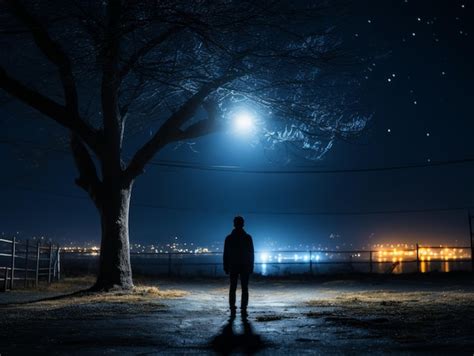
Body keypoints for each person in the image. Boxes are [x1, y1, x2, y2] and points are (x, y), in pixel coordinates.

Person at [223, 216, 254, 316]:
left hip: (233, 265)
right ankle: (243, 307)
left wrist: (226, 266)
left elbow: (226, 253)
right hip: (245, 266)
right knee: (245, 288)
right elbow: (251, 253)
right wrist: (251, 266)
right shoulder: (248, 238)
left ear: (234, 224)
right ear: (243, 224)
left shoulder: (229, 238)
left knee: (233, 287)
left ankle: (232, 306)